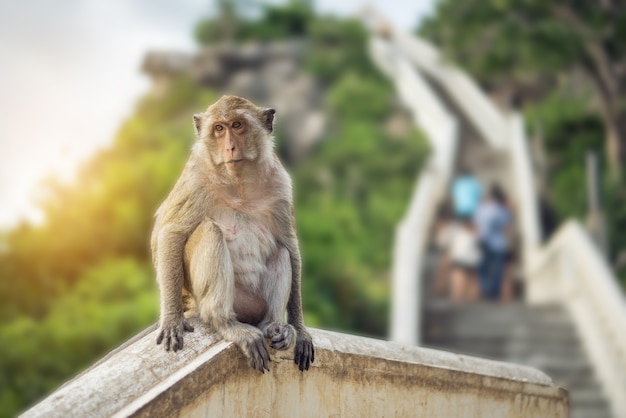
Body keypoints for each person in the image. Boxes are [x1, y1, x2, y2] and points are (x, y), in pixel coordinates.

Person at [474, 184, 511, 300]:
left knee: (482, 267)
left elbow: (476, 225)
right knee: (497, 269)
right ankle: (494, 292)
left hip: (483, 241)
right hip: (499, 243)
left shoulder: (482, 209)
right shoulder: (503, 210)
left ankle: (485, 287)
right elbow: (506, 228)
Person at [447, 216, 481, 302]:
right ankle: (471, 298)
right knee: (472, 279)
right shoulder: (475, 235)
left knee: (458, 278)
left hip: (458, 258)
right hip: (471, 260)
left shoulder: (457, 234)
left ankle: (456, 296)